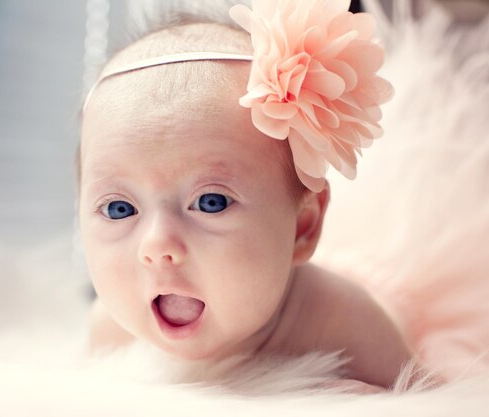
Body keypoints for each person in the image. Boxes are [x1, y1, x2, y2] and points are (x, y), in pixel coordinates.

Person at [77, 0, 420, 391]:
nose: (156, 245)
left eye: (211, 202)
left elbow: (438, 402)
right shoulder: (111, 333)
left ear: (302, 228)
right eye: (119, 209)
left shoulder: (346, 322)